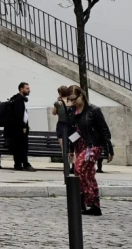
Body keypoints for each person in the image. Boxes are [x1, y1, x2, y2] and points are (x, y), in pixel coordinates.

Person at [68, 85, 113, 216]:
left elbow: (104, 130)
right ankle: (95, 206)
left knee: (79, 168)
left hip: (93, 145)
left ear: (81, 96)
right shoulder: (72, 111)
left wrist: (108, 149)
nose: (72, 102)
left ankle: (84, 198)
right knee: (89, 175)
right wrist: (71, 149)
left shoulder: (94, 110)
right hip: (79, 144)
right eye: (70, 100)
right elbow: (72, 131)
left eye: (74, 99)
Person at [6, 82, 34, 171]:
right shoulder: (18, 100)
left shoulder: (19, 99)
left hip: (17, 128)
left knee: (19, 146)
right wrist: (23, 127)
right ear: (21, 89)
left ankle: (19, 164)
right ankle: (24, 164)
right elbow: (18, 115)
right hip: (18, 128)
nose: (29, 90)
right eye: (27, 88)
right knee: (22, 146)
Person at [52, 86, 72, 155]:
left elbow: (54, 113)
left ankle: (66, 164)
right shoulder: (72, 102)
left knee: (64, 148)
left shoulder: (58, 103)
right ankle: (74, 164)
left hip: (61, 125)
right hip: (71, 126)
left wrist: (57, 102)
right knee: (72, 148)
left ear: (60, 93)